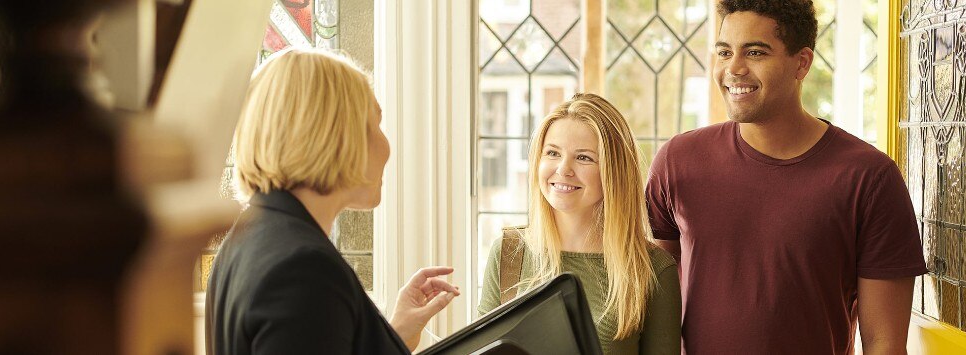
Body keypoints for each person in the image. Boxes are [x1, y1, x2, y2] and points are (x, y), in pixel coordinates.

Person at [645, 1, 928, 354]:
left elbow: (884, 344)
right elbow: (649, 310)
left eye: (755, 52)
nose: (733, 68)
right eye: (724, 52)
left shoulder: (869, 179)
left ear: (802, 63)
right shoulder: (677, 162)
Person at [206, 48, 460, 355]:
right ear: (339, 134)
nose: (387, 147)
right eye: (376, 124)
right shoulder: (303, 270)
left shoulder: (248, 237)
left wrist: (395, 334)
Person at [478, 93, 681, 354]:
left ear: (613, 171)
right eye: (552, 153)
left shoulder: (654, 270)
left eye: (583, 157)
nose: (563, 169)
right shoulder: (507, 252)